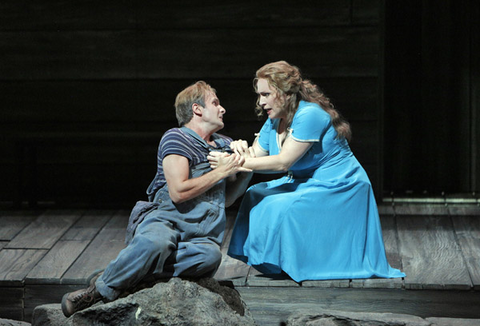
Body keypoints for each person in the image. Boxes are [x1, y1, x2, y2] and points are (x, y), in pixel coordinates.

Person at [61, 81, 252, 317]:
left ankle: (124, 272)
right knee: (156, 244)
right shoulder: (178, 138)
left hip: (201, 234)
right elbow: (178, 192)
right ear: (197, 109)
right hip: (165, 221)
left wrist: (247, 169)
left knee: (210, 258)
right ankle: (97, 292)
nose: (222, 109)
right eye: (215, 102)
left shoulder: (225, 144)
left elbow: (224, 200)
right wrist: (222, 171)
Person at [209, 61, 405, 282]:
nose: (261, 102)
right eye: (259, 95)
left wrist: (234, 162)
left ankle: (303, 263)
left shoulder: (309, 114)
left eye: (265, 94)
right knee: (255, 194)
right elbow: (255, 155)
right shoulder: (274, 121)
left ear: (284, 93)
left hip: (340, 185)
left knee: (280, 205)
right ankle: (276, 263)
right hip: (307, 181)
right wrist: (238, 151)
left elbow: (283, 162)